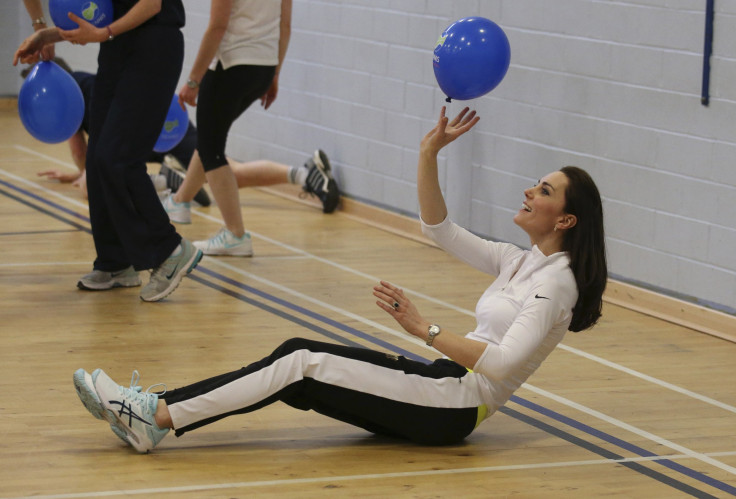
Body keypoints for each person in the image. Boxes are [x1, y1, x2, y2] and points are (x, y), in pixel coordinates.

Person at [72, 107, 608, 452]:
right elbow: (438, 229)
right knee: (298, 363)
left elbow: (506, 363)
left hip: (457, 403)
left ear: (565, 220)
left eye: (543, 190)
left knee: (300, 359)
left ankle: (155, 415)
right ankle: (156, 412)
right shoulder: (522, 260)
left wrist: (422, 326)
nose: (529, 193)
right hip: (443, 384)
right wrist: (428, 153)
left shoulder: (559, 282)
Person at [15, 0, 203, 302]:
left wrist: (104, 33)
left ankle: (169, 250)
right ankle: (116, 262)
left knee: (117, 157)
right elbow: (102, 12)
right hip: (117, 47)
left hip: (154, 44)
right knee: (98, 157)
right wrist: (46, 32)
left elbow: (151, 5)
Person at [161, 0, 339, 258]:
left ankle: (235, 235)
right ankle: (180, 201)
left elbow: (218, 26)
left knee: (212, 151)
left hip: (231, 65)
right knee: (212, 138)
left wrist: (193, 79)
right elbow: (285, 26)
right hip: (263, 67)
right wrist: (274, 73)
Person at [22, 62, 211, 206]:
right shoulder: (86, 83)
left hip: (138, 137)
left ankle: (164, 181)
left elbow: (80, 153)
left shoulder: (69, 97)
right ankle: (175, 180)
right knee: (217, 169)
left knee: (93, 188)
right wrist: (76, 175)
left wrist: (85, 175)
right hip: (170, 124)